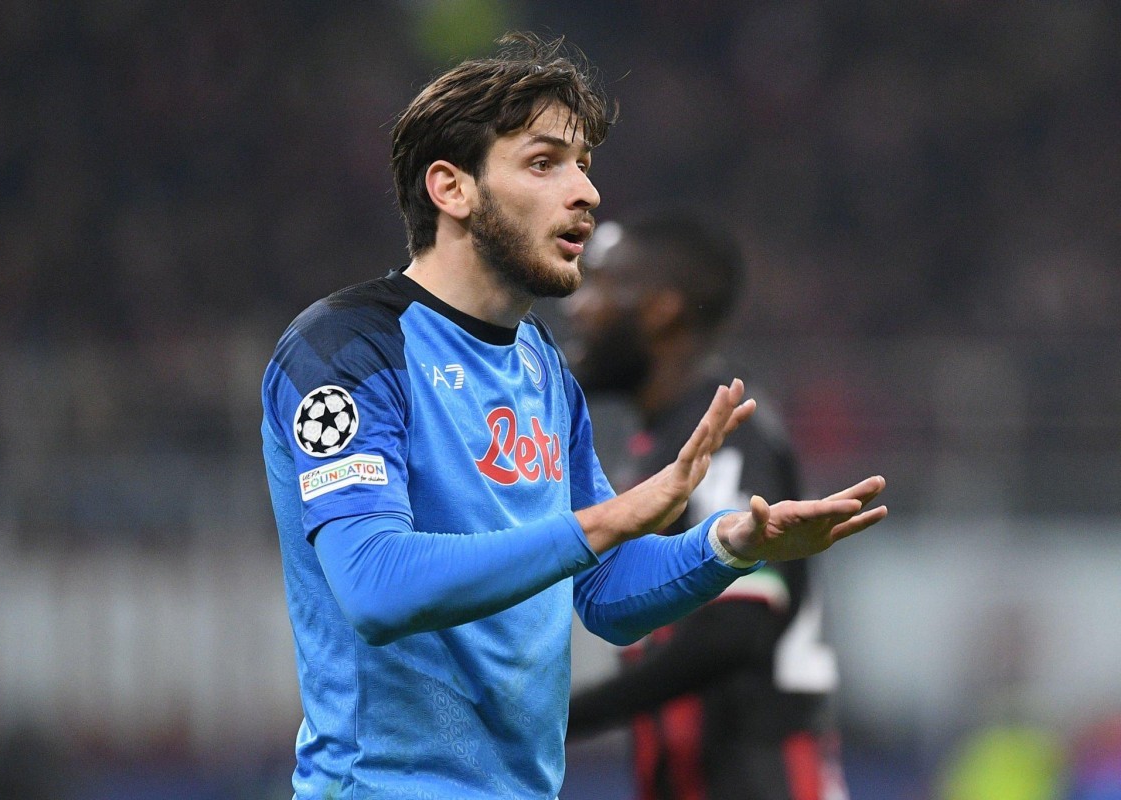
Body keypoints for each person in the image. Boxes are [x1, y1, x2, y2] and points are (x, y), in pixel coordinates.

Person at [260, 32, 887, 800]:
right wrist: (606, 522)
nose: (586, 191)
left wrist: (727, 546)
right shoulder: (349, 350)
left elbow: (607, 593)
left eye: (584, 164)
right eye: (544, 162)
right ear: (452, 189)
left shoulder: (542, 368)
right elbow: (374, 587)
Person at [563, 211, 850, 800]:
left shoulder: (726, 436)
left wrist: (563, 717)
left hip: (758, 779)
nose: (579, 307)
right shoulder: (667, 441)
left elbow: (736, 626)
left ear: (662, 310)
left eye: (603, 285)